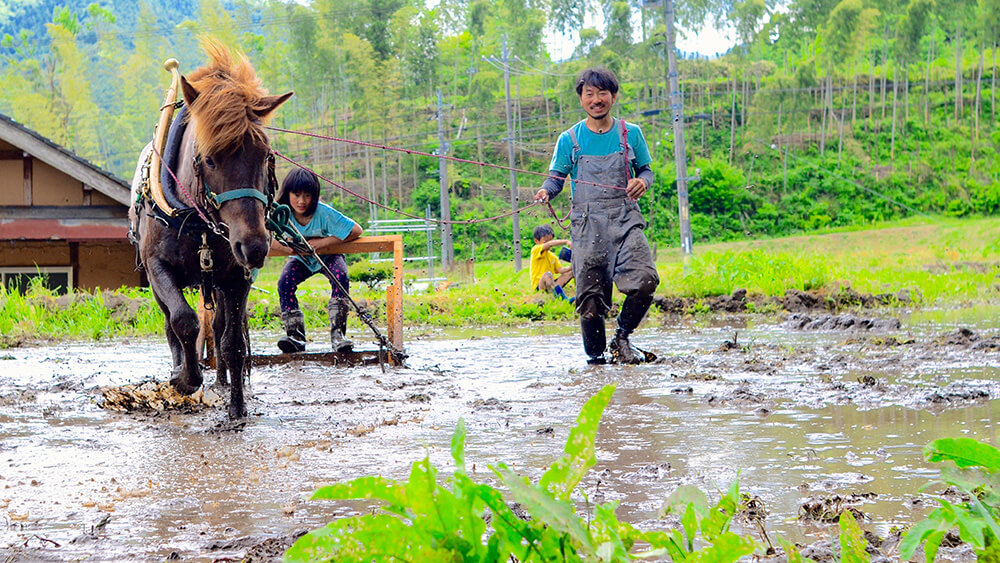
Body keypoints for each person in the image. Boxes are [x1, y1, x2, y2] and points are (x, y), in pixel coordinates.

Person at [534, 67, 659, 365]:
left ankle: (623, 337)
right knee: (589, 303)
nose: (596, 99)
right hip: (588, 227)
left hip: (625, 220)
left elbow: (646, 170)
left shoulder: (632, 133)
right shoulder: (569, 139)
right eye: (589, 94)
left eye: (602, 93)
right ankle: (596, 362)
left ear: (613, 96)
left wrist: (643, 181)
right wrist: (545, 191)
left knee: (645, 279)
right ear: (581, 99)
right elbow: (556, 178)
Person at [270, 168, 362, 354]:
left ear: (315, 196)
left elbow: (356, 230)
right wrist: (285, 247)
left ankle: (338, 335)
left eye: (307, 196)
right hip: (300, 258)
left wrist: (322, 243)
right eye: (296, 195)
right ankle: (295, 336)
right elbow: (264, 235)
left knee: (340, 276)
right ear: (288, 194)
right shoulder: (280, 213)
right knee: (284, 283)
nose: (302, 201)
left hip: (328, 255)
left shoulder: (323, 212)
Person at [529, 224, 574, 301]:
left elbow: (561, 270)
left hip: (552, 284)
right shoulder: (536, 250)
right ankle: (563, 298)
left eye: (551, 240)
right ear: (536, 241)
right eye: (545, 241)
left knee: (572, 272)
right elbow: (548, 245)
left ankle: (580, 291)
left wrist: (573, 266)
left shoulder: (553, 256)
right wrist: (566, 241)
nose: (550, 244)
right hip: (541, 286)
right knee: (547, 274)